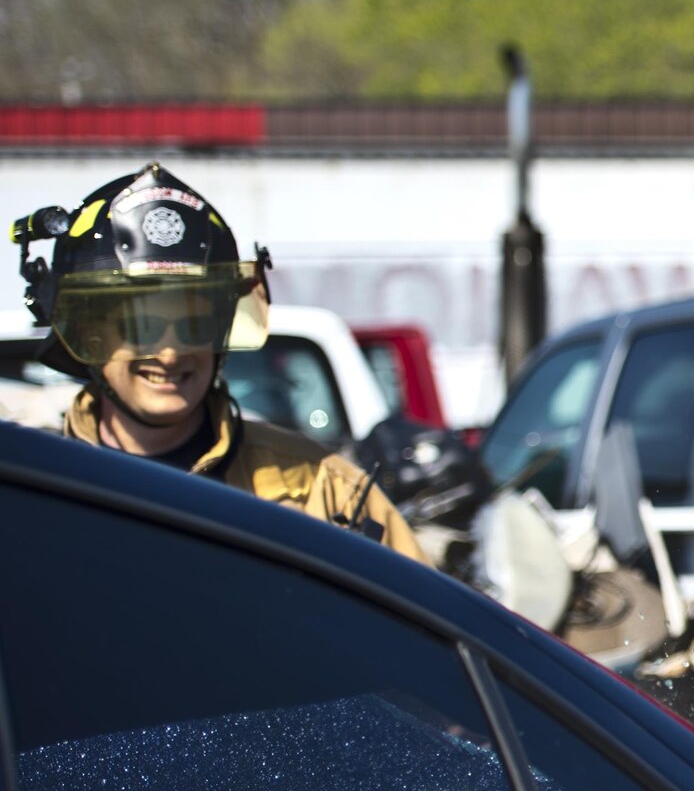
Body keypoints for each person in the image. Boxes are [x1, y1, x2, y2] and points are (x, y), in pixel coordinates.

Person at [10, 162, 424, 562]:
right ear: (91, 334)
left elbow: (417, 625)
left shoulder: (321, 488)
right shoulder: (30, 491)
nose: (170, 353)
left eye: (194, 325)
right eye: (142, 326)